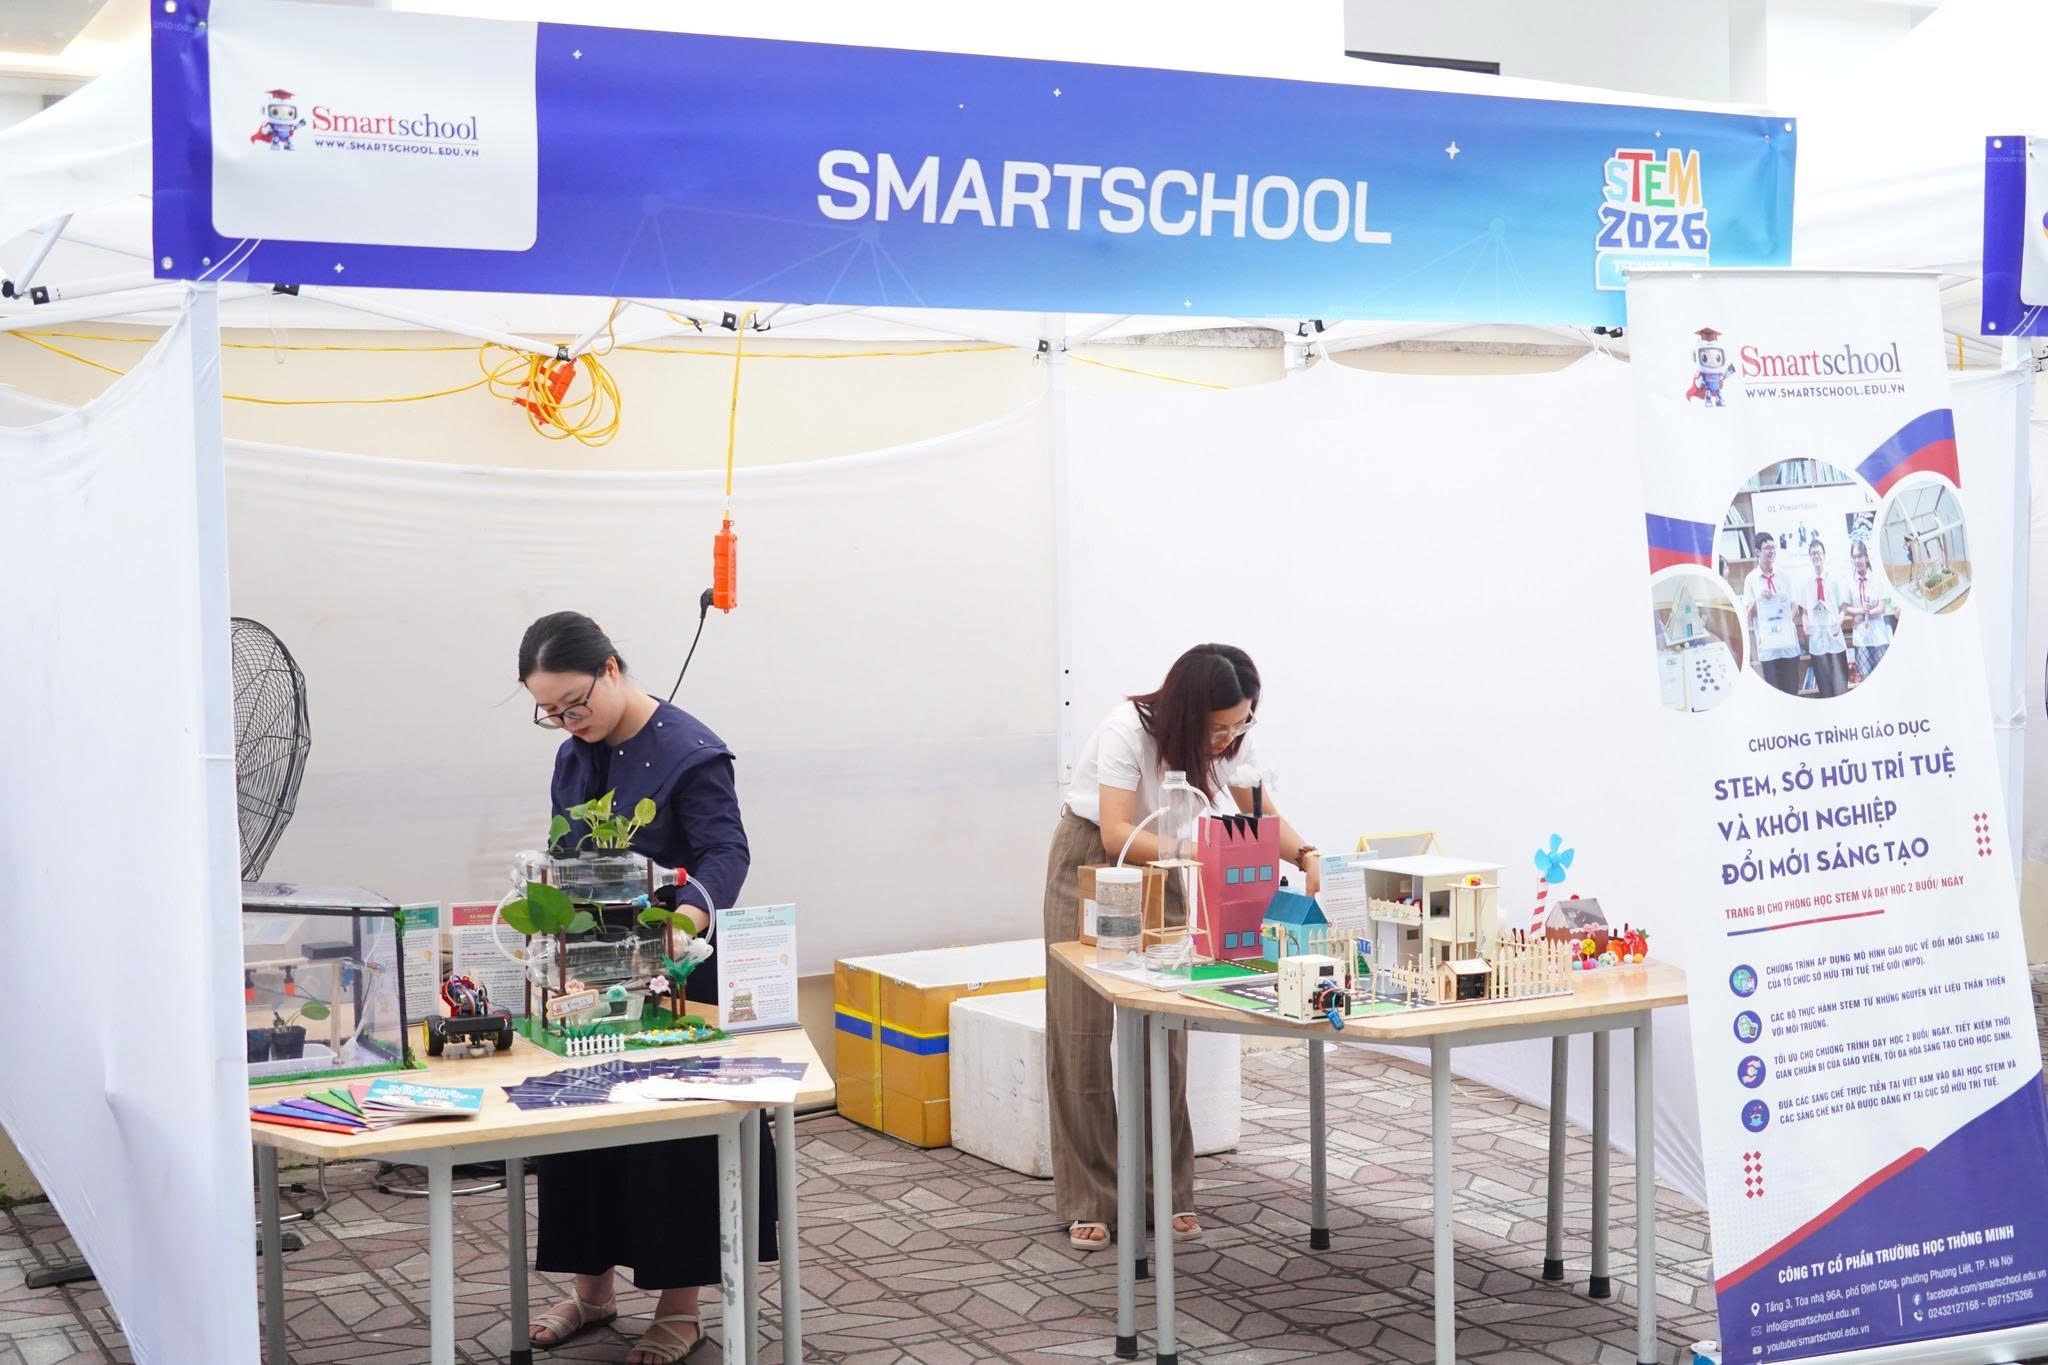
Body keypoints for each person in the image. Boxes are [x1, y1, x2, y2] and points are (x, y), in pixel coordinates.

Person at [518, 611, 773, 1364]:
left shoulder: (691, 752)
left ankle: (680, 1310)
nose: (569, 721)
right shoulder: (573, 755)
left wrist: (686, 918)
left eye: (575, 702)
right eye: (551, 712)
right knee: (577, 1126)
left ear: (612, 668)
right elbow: (567, 851)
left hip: (676, 972)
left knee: (673, 1140)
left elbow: (727, 852)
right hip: (591, 972)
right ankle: (591, 1293)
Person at [1043, 644, 1321, 1252]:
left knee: (1164, 1028)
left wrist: (1305, 854)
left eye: (1239, 724)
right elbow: (1116, 831)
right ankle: (1090, 1197)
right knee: (1081, 1030)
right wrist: (1196, 851)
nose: (1228, 739)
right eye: (1218, 728)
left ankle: (1166, 1192)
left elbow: (1258, 815)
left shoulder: (1230, 741)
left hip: (1170, 863)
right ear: (1187, 713)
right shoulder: (1125, 731)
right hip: (1093, 863)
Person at [1743, 535, 1804, 696]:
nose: (1771, 551)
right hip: (1768, 649)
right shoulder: (1751, 579)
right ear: (1757, 551)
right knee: (1775, 694)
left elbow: (1795, 606)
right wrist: (1758, 599)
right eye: (1767, 548)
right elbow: (1749, 614)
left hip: (1788, 646)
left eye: (1773, 547)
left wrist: (1786, 624)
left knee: (1792, 692)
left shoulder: (1784, 575)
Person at [1796, 538, 1850, 699]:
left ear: (1824, 555)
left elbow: (1844, 607)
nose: (1816, 556)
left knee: (1841, 688)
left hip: (1834, 641)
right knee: (1825, 690)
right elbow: (1804, 611)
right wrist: (1805, 626)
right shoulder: (1806, 582)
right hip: (1817, 642)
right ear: (1810, 557)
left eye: (1819, 552)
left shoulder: (1835, 578)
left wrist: (1839, 623)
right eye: (1813, 553)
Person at [1844, 539, 1894, 682]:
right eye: (1854, 557)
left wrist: (1864, 615)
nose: (1857, 560)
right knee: (1865, 678)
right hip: (1861, 638)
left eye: (1860, 556)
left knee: (1883, 678)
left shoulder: (1877, 579)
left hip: (1879, 636)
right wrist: (1860, 611)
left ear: (1866, 557)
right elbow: (1846, 607)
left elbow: (1881, 608)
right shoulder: (1849, 581)